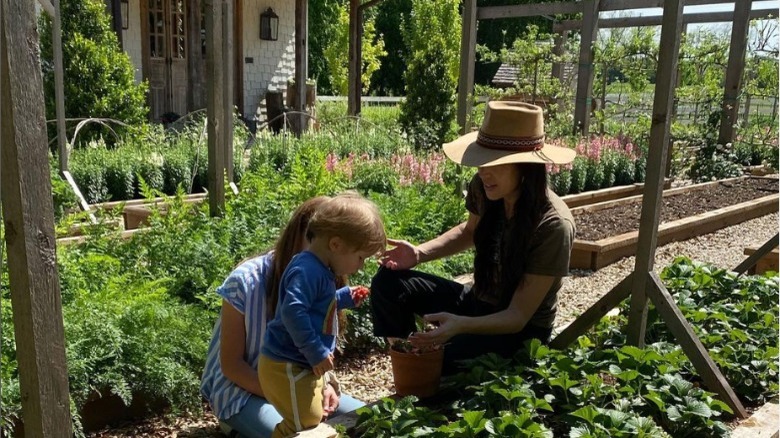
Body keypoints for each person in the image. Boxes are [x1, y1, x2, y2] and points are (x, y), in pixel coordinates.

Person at [371, 101, 577, 375]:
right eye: (481, 162)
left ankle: (426, 368)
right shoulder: (487, 187)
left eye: (494, 164)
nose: (483, 172)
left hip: (519, 332)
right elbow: (469, 232)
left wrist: (460, 325)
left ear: (525, 167)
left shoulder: (553, 225)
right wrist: (419, 253)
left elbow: (517, 317)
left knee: (440, 363)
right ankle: (410, 357)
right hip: (478, 301)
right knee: (389, 282)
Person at [201, 196, 366, 438]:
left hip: (300, 383)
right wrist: (297, 397)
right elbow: (232, 366)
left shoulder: (327, 275)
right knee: (306, 432)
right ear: (300, 234)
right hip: (242, 392)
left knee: (372, 419)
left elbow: (315, 347)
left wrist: (327, 384)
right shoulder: (246, 280)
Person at [258, 193, 386, 438]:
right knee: (305, 421)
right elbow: (293, 311)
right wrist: (315, 350)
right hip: (285, 365)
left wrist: (344, 298)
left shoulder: (319, 269)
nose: (360, 266)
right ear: (336, 245)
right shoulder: (307, 270)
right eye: (360, 257)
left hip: (299, 363)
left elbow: (317, 305)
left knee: (311, 417)